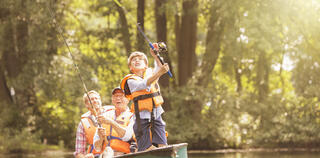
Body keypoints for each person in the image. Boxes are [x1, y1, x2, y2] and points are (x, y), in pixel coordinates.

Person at [120, 43, 170, 151]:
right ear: (131, 67)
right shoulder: (130, 80)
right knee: (146, 148)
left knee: (163, 146)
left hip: (156, 113)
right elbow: (143, 85)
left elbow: (159, 67)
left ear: (146, 65)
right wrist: (159, 73)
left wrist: (155, 55)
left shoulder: (150, 73)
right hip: (141, 118)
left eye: (140, 59)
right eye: (134, 60)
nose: (137, 60)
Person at [93, 87, 135, 156]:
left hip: (124, 155)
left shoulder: (132, 116)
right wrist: (101, 138)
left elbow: (127, 136)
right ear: (112, 99)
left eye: (121, 96)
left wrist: (111, 122)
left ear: (128, 99)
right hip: (105, 154)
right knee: (108, 151)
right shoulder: (105, 115)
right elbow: (97, 147)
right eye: (115, 96)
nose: (118, 98)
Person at [74, 90, 111, 158]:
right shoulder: (83, 123)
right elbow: (79, 153)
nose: (94, 101)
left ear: (100, 101)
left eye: (96, 98)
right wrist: (85, 157)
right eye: (91, 99)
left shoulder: (112, 112)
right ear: (86, 104)